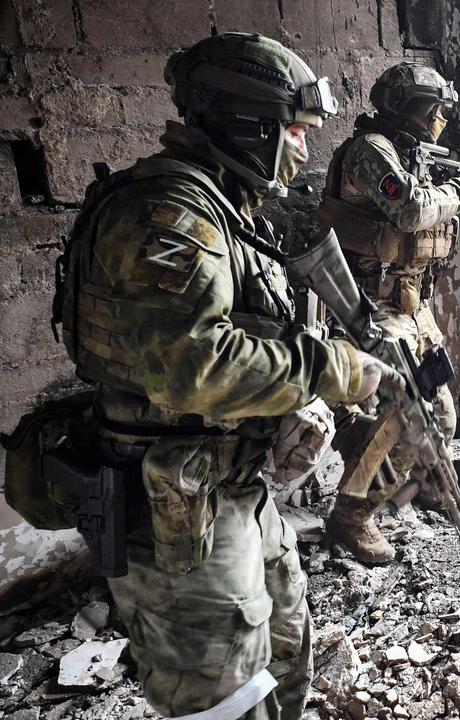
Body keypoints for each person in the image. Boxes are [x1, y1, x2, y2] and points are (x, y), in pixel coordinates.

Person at [54, 32, 402, 719]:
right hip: (178, 516)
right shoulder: (169, 214)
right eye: (295, 132)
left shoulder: (227, 207)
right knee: (225, 705)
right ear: (251, 124)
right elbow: (191, 363)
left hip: (237, 491)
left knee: (287, 663)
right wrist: (332, 370)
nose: (303, 150)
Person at [317, 62, 460, 565]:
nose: (440, 117)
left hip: (410, 306)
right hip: (366, 305)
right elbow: (411, 210)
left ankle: (428, 483)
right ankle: (351, 516)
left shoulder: (413, 157)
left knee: (442, 411)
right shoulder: (371, 152)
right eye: (431, 107)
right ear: (401, 105)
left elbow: (435, 216)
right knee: (406, 414)